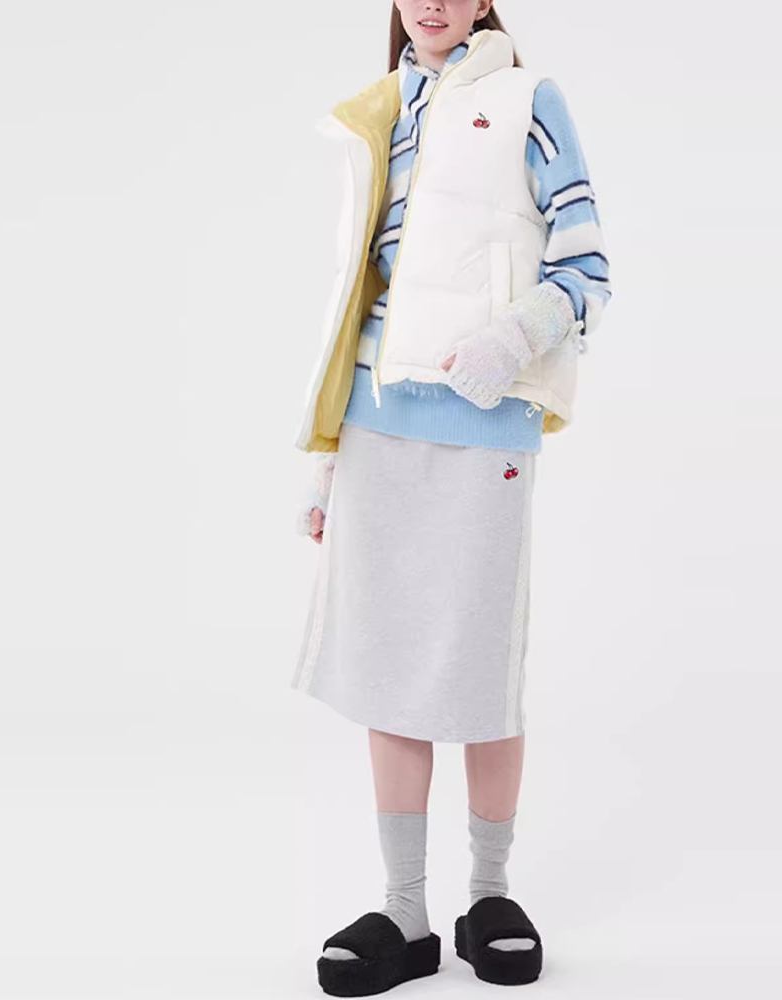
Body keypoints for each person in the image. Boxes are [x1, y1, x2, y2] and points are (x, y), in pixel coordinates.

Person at [292, 2, 611, 993]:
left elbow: (587, 265)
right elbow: (357, 295)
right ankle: (404, 911)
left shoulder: (527, 98)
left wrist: (511, 342)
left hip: (484, 421)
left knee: (477, 666)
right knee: (386, 666)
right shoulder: (381, 109)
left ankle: (489, 894)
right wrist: (327, 459)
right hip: (376, 424)